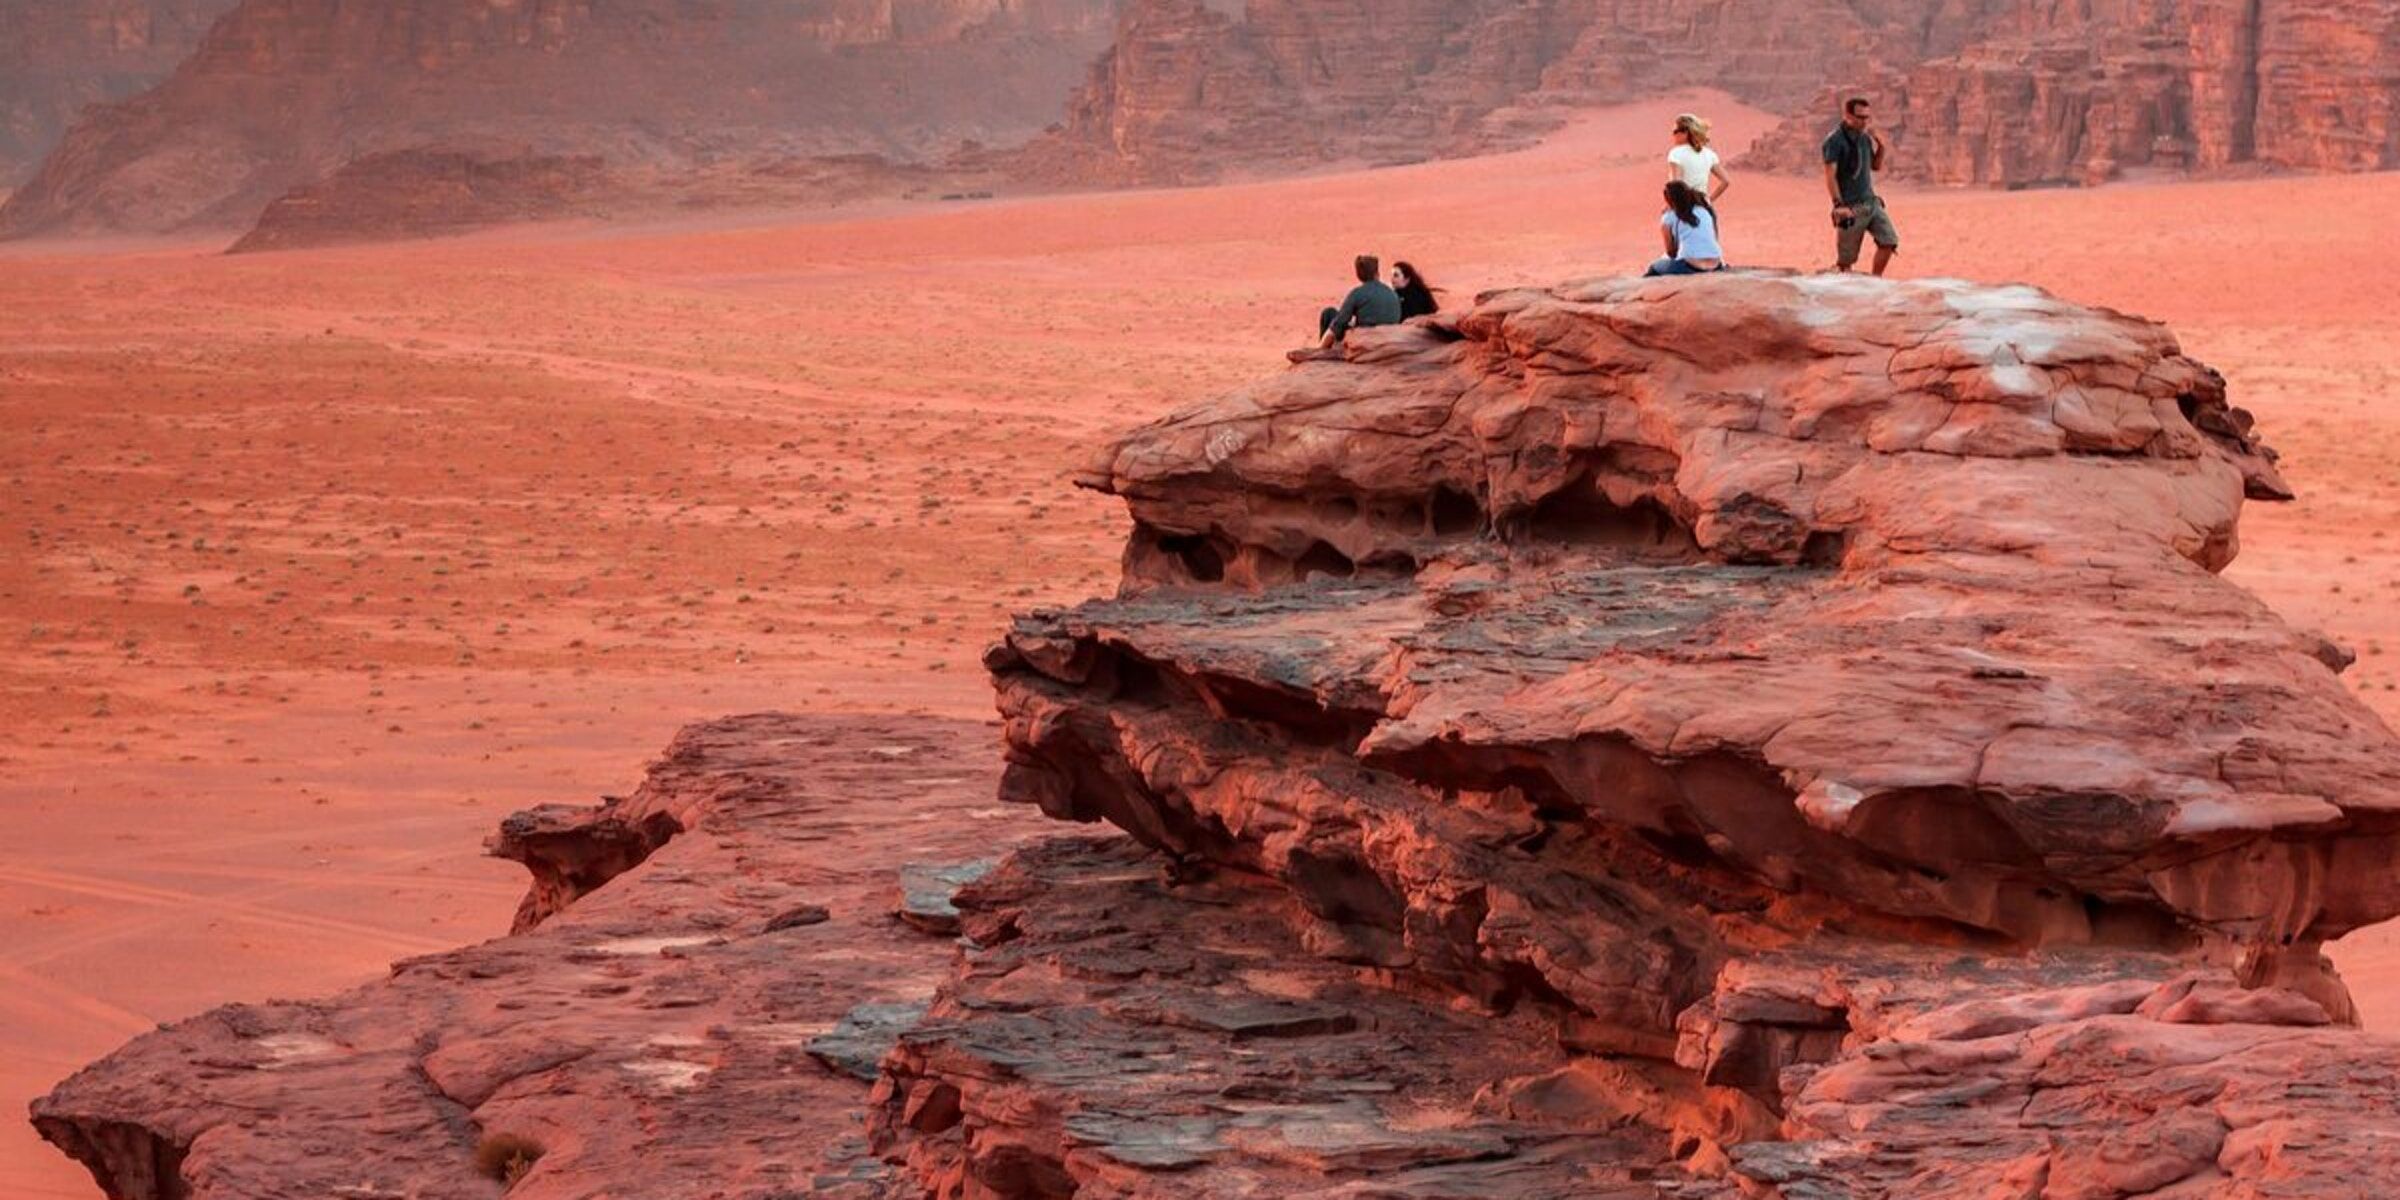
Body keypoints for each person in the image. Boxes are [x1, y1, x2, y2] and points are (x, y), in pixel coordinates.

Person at [1822, 96, 1899, 275]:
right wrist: (1838, 205)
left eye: (1866, 117)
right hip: (1850, 207)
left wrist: (1881, 147)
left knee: (1888, 241)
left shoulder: (1864, 138)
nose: (1864, 122)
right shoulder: (1834, 141)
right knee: (1846, 261)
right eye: (1860, 117)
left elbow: (1875, 166)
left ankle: (1875, 281)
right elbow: (1830, 175)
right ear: (1847, 115)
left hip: (1870, 202)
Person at [1316, 254, 1403, 347]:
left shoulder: (1357, 294)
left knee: (1329, 313)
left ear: (1359, 275)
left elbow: (1337, 325)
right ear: (1377, 273)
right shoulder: (1393, 294)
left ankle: (1323, 356)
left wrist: (1318, 349)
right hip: (1390, 340)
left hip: (1366, 341)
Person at [1645, 181, 1725, 277]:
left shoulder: (1669, 216)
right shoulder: (1704, 210)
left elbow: (1671, 252)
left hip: (1689, 266)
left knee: (1654, 267)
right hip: (1716, 264)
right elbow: (1714, 238)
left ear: (1668, 199)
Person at [1667, 113, 1730, 203]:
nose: (1673, 135)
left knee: (1667, 217)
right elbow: (1726, 181)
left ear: (1686, 133)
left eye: (1675, 131)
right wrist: (1709, 201)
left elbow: (1676, 184)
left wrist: (1670, 206)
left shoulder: (1676, 153)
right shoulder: (1710, 154)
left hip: (1683, 206)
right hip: (1702, 207)